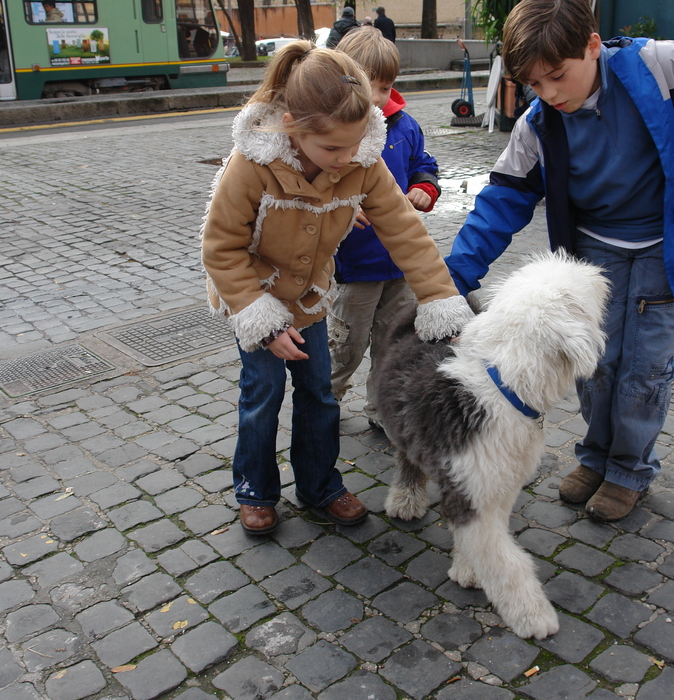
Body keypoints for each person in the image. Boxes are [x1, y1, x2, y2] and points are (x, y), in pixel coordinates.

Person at [445, 0, 674, 523]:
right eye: (534, 84)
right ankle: (595, 456)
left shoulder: (669, 66)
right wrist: (450, 280)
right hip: (594, 255)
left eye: (557, 76)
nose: (549, 93)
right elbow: (501, 203)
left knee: (647, 366)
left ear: (592, 45)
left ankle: (629, 470)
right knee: (597, 363)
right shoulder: (538, 125)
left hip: (668, 245)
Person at [200, 40, 472, 535]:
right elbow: (220, 248)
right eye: (331, 149)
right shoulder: (251, 165)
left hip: (310, 300)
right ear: (292, 125)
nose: (345, 158)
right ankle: (256, 490)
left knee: (320, 395)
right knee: (261, 395)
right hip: (255, 296)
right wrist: (261, 322)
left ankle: (320, 484)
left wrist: (440, 301)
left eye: (354, 146)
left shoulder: (360, 158)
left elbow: (404, 230)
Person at [329, 26, 441, 431]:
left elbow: (424, 165)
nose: (376, 97)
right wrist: (340, 208)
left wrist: (424, 188)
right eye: (368, 85)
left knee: (393, 344)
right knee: (346, 344)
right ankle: (326, 401)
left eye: (385, 86)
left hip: (400, 264)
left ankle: (381, 410)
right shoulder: (338, 128)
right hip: (356, 265)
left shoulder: (406, 126)